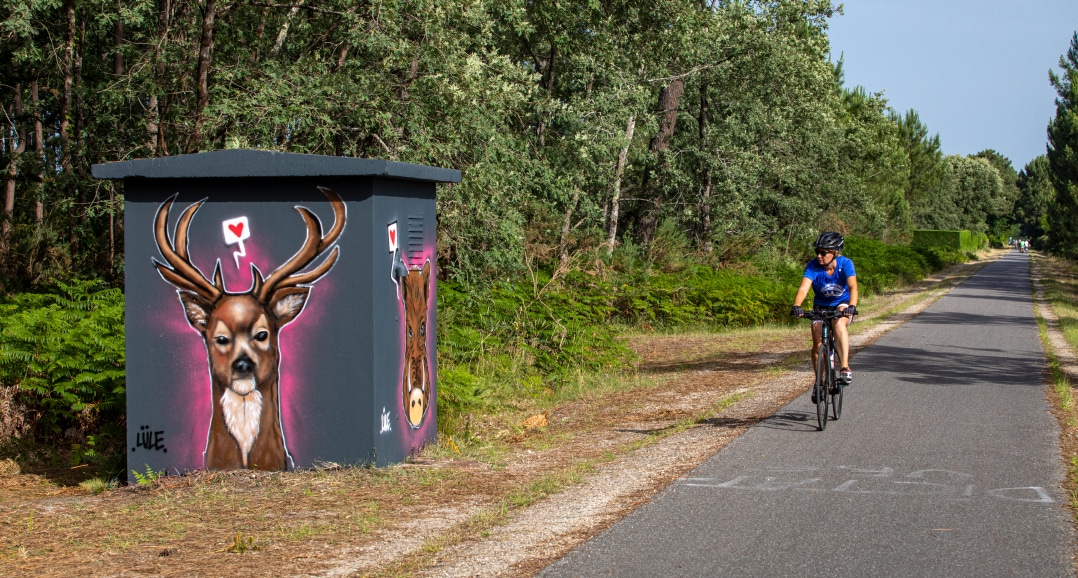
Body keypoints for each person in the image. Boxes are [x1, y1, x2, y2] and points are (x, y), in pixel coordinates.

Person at [790, 231, 859, 391]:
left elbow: (853, 286)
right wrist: (797, 306)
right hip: (821, 306)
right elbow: (804, 287)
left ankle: (844, 367)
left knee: (839, 324)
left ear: (835, 252)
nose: (819, 256)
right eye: (817, 252)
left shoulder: (845, 264)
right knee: (817, 343)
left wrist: (852, 306)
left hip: (842, 304)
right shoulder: (813, 266)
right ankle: (819, 382)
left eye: (823, 252)